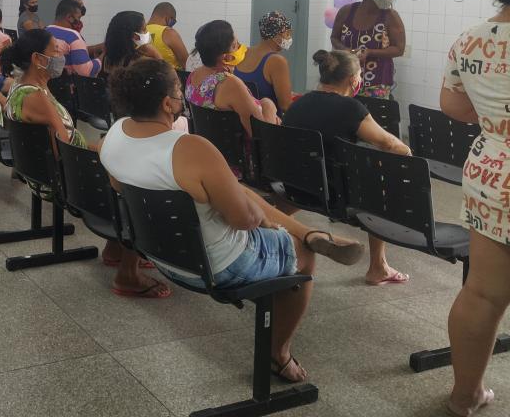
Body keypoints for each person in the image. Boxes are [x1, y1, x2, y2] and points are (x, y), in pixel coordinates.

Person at [101, 57, 363, 382]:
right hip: (219, 266)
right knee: (303, 256)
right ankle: (278, 354)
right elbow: (245, 221)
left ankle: (306, 231)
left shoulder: (115, 134)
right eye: (179, 90)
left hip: (162, 255)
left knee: (233, 189)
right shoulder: (190, 148)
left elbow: (119, 186)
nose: (182, 97)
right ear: (168, 104)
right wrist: (260, 218)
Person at [0, 30, 170, 299]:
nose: (61, 55)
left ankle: (116, 248)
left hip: (40, 172)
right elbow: (66, 149)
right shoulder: (37, 97)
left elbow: (64, 142)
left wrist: (102, 148)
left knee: (120, 152)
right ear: (37, 58)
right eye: (55, 50)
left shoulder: (19, 88)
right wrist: (103, 152)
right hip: (64, 178)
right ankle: (128, 273)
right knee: (141, 178)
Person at [443, 0, 510, 417]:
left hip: (492, 169)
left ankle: (464, 396)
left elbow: (453, 105)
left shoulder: (470, 40)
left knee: (484, 292)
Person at [282, 49, 409, 286]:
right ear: (352, 80)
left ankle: (272, 221)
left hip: (294, 185)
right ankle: (378, 267)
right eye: (359, 75)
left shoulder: (299, 103)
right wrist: (407, 153)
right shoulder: (351, 109)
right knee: (379, 184)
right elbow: (389, 144)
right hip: (334, 195)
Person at [186, 20, 278, 136]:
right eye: (235, 46)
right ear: (226, 57)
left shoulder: (192, 76)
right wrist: (268, 105)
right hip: (234, 147)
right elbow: (262, 135)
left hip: (205, 144)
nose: (240, 48)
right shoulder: (229, 84)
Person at [332, 0, 404, 100]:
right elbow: (334, 38)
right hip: (345, 78)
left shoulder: (390, 16)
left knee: (370, 114)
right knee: (344, 113)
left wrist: (370, 52)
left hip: (376, 83)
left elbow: (399, 49)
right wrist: (346, 50)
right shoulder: (346, 11)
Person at [234, 11, 295, 111]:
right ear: (276, 35)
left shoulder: (243, 52)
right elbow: (285, 105)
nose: (289, 38)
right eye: (287, 34)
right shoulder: (277, 61)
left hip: (240, 117)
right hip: (266, 119)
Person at [47, 0, 101, 77]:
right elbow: (86, 71)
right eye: (78, 18)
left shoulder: (44, 30)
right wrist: (100, 59)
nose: (79, 21)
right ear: (69, 17)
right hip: (66, 83)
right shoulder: (73, 36)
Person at [101, 10, 159, 78]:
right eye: (144, 29)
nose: (147, 32)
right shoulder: (141, 62)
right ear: (135, 36)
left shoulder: (104, 58)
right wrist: (155, 54)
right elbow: (167, 77)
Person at [146, 2, 188, 70]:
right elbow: (187, 63)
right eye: (173, 22)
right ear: (168, 18)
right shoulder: (168, 32)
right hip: (168, 74)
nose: (172, 25)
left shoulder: (140, 31)